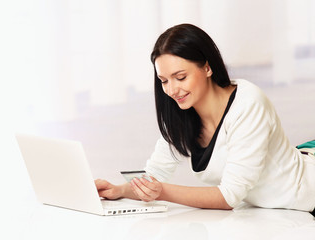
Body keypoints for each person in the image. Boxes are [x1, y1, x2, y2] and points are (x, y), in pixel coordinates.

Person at [95, 23, 315, 213]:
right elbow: (155, 174)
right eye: (164, 81)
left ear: (207, 67)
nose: (172, 90)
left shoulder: (248, 103)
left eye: (180, 77)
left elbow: (230, 196)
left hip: (308, 198)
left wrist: (161, 192)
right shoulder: (182, 113)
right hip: (267, 212)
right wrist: (118, 190)